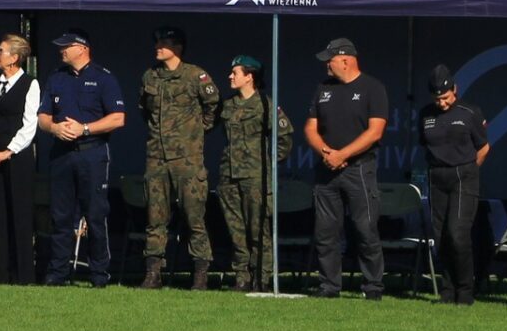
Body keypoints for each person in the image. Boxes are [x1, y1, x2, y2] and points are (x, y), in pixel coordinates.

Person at [302, 37, 390, 301]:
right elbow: (310, 127)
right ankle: (329, 286)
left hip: (359, 169)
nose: (326, 65)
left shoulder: (373, 88)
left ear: (345, 60)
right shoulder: (323, 88)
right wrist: (327, 153)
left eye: (329, 60)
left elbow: (375, 132)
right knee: (326, 232)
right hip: (326, 170)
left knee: (365, 229)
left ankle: (372, 287)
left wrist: (343, 154)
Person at [38, 30, 127, 287]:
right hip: (61, 155)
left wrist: (85, 129)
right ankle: (58, 272)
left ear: (82, 48)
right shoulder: (56, 77)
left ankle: (99, 274)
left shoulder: (103, 78)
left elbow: (118, 118)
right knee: (60, 216)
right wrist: (54, 128)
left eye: (66, 46)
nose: (61, 50)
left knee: (95, 215)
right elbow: (42, 117)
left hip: (92, 153)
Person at [138, 25, 220, 289]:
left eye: (164, 43)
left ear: (178, 47)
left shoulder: (195, 76)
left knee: (194, 217)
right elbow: (145, 110)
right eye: (157, 42)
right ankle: (153, 273)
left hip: (187, 159)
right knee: (155, 218)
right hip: (157, 157)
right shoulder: (150, 76)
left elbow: (213, 108)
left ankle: (200, 274)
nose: (157, 47)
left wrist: (194, 132)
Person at [218, 55, 291, 292]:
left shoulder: (265, 105)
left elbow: (284, 138)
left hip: (255, 177)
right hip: (229, 176)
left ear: (249, 77)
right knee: (236, 229)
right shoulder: (227, 105)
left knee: (259, 230)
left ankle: (263, 278)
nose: (230, 76)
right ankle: (242, 277)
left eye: (235, 73)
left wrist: (267, 163)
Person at [418, 65, 490, 305]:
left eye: (446, 98)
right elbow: (425, 144)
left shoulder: (469, 112)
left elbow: (483, 147)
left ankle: (466, 289)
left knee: (457, 233)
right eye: (437, 99)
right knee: (441, 237)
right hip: (437, 176)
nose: (442, 103)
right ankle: (447, 290)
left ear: (455, 90)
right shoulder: (426, 115)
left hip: (463, 175)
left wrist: (469, 170)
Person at [0, 33, 39, 284]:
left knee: (19, 214)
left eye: (0, 51)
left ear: (14, 57)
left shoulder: (30, 84)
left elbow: (30, 123)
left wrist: (9, 150)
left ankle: (21, 274)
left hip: (17, 158)